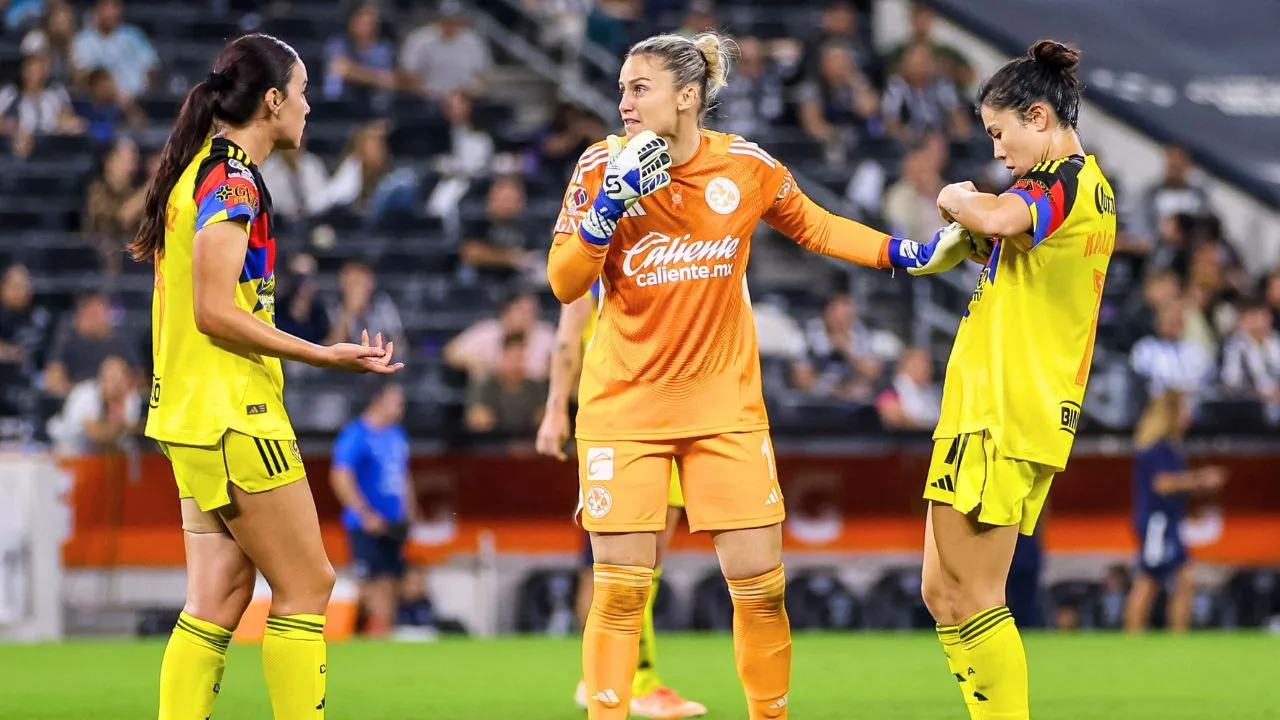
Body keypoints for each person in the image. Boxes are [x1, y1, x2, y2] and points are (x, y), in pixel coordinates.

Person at [546, 30, 950, 720]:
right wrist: (606, 208)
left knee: (760, 590)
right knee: (619, 592)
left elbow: (818, 227)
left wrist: (907, 252)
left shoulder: (745, 166)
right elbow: (563, 283)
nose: (623, 102)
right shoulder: (598, 166)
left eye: (638, 88)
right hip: (624, 409)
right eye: (620, 88)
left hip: (724, 410)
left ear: (688, 96)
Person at [126, 33, 402, 720]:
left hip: (189, 414)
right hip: (232, 414)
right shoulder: (233, 178)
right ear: (273, 100)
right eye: (302, 93)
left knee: (217, 596)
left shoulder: (198, 169)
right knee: (309, 584)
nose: (309, 108)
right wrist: (322, 353)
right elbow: (215, 309)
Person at [919, 40, 1117, 719]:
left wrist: (954, 197)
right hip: (997, 407)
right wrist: (974, 238)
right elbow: (1012, 236)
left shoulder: (1061, 179)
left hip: (1003, 411)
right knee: (942, 592)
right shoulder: (1075, 192)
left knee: (975, 595)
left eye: (1000, 134)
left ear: (1038, 116)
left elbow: (1002, 214)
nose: (999, 152)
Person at [536, 279, 706, 719]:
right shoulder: (596, 254)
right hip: (615, 423)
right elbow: (568, 333)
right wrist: (556, 407)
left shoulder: (664, 252)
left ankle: (602, 674)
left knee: (652, 561)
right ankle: (638, 681)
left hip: (670, 414)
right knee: (625, 564)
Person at [1123, 389, 1225, 633]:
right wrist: (1201, 479)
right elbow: (1163, 484)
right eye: (1183, 409)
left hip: (1166, 522)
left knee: (1184, 579)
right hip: (1157, 523)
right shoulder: (1158, 447)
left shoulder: (1169, 446)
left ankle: (1178, 636)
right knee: (1149, 580)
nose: (1188, 415)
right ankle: (1131, 638)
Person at [330, 382, 418, 638]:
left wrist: (410, 508)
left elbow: (403, 475)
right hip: (365, 524)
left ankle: (383, 633)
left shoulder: (396, 435)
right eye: (395, 399)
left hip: (393, 523)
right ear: (378, 400)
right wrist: (364, 512)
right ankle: (367, 631)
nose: (401, 405)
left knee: (392, 579)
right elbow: (340, 476)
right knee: (372, 582)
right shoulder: (356, 434)